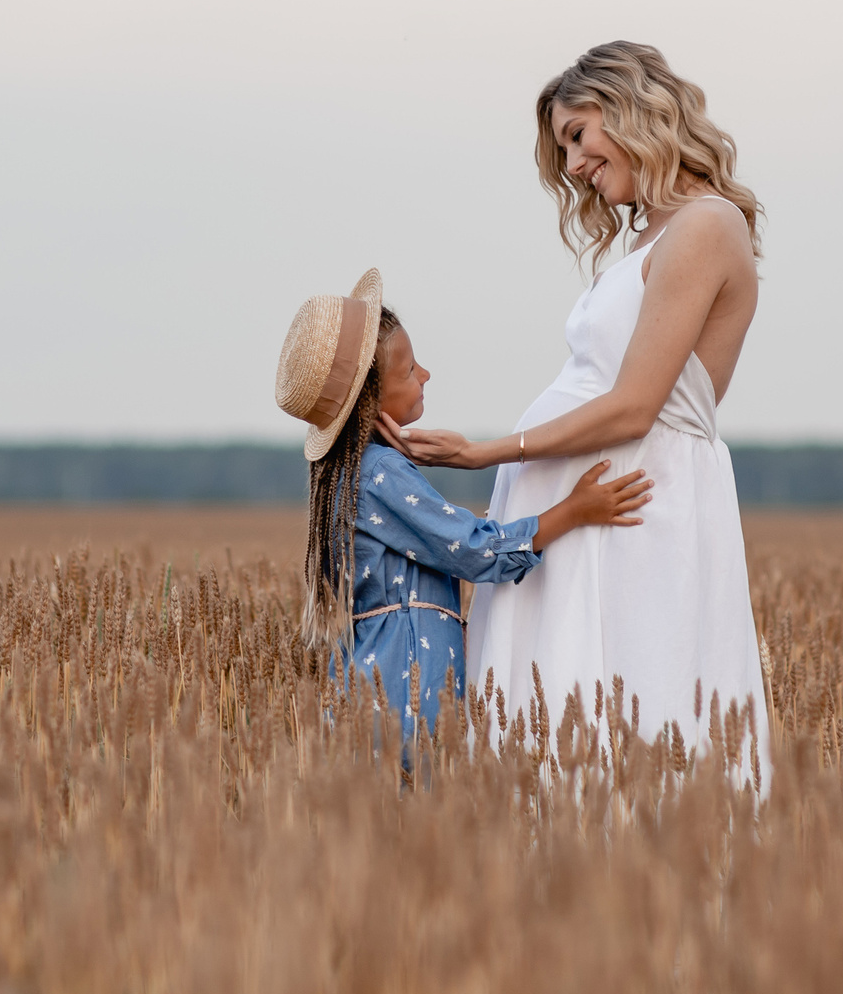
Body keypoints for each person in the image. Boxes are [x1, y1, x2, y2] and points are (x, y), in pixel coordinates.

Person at [395, 42, 772, 782]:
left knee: (637, 703)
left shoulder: (706, 225)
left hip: (634, 505)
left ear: (633, 109)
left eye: (578, 133)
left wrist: (485, 453)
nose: (572, 165)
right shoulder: (651, 237)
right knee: (564, 712)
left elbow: (633, 408)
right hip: (589, 508)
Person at [273, 269, 653, 749]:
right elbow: (472, 550)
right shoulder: (380, 474)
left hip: (373, 690)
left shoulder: (357, 472)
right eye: (410, 371)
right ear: (369, 400)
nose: (425, 375)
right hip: (399, 700)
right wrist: (574, 511)